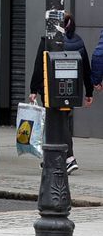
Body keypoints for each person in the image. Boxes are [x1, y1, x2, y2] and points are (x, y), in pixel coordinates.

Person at [33, 13, 90, 175]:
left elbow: (39, 66)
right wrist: (89, 90)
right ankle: (53, 158)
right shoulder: (77, 41)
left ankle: (69, 158)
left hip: (50, 89)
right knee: (63, 122)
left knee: (54, 122)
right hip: (71, 89)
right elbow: (85, 66)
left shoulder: (48, 40)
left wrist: (33, 89)